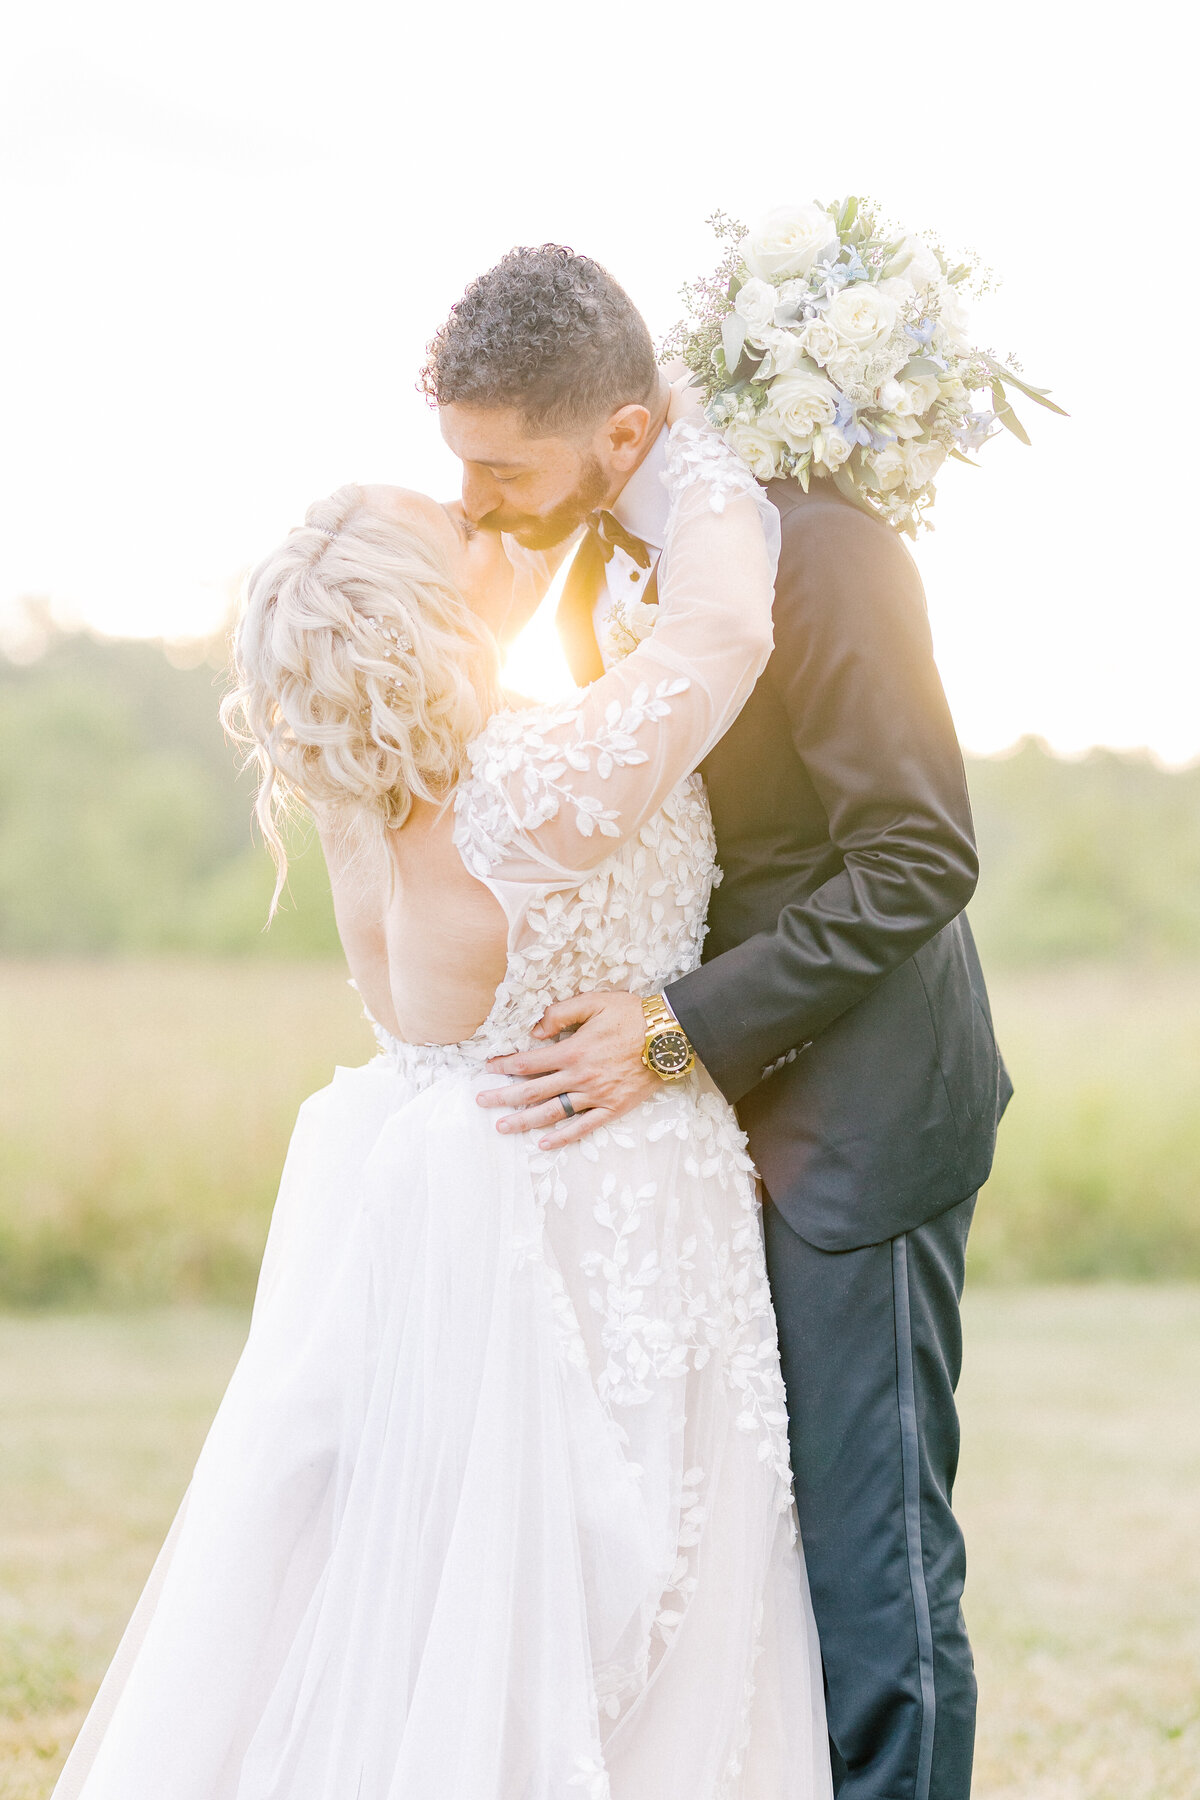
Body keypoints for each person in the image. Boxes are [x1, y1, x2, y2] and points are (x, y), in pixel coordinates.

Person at [51, 389, 832, 1798]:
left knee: (428, 1591)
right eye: (457, 529)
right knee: (620, 1599)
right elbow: (723, 633)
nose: (484, 518)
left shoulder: (353, 801)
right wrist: (698, 427)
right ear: (431, 610)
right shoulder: (532, 781)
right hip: (600, 1191)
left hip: (435, 1204)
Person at [427, 245, 1013, 1800]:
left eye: (502, 468)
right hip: (697, 1140)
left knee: (868, 1554)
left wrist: (673, 1033)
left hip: (861, 1124)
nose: (475, 499)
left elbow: (922, 856)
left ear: (623, 435)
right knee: (732, 1547)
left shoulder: (820, 553)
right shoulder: (596, 562)